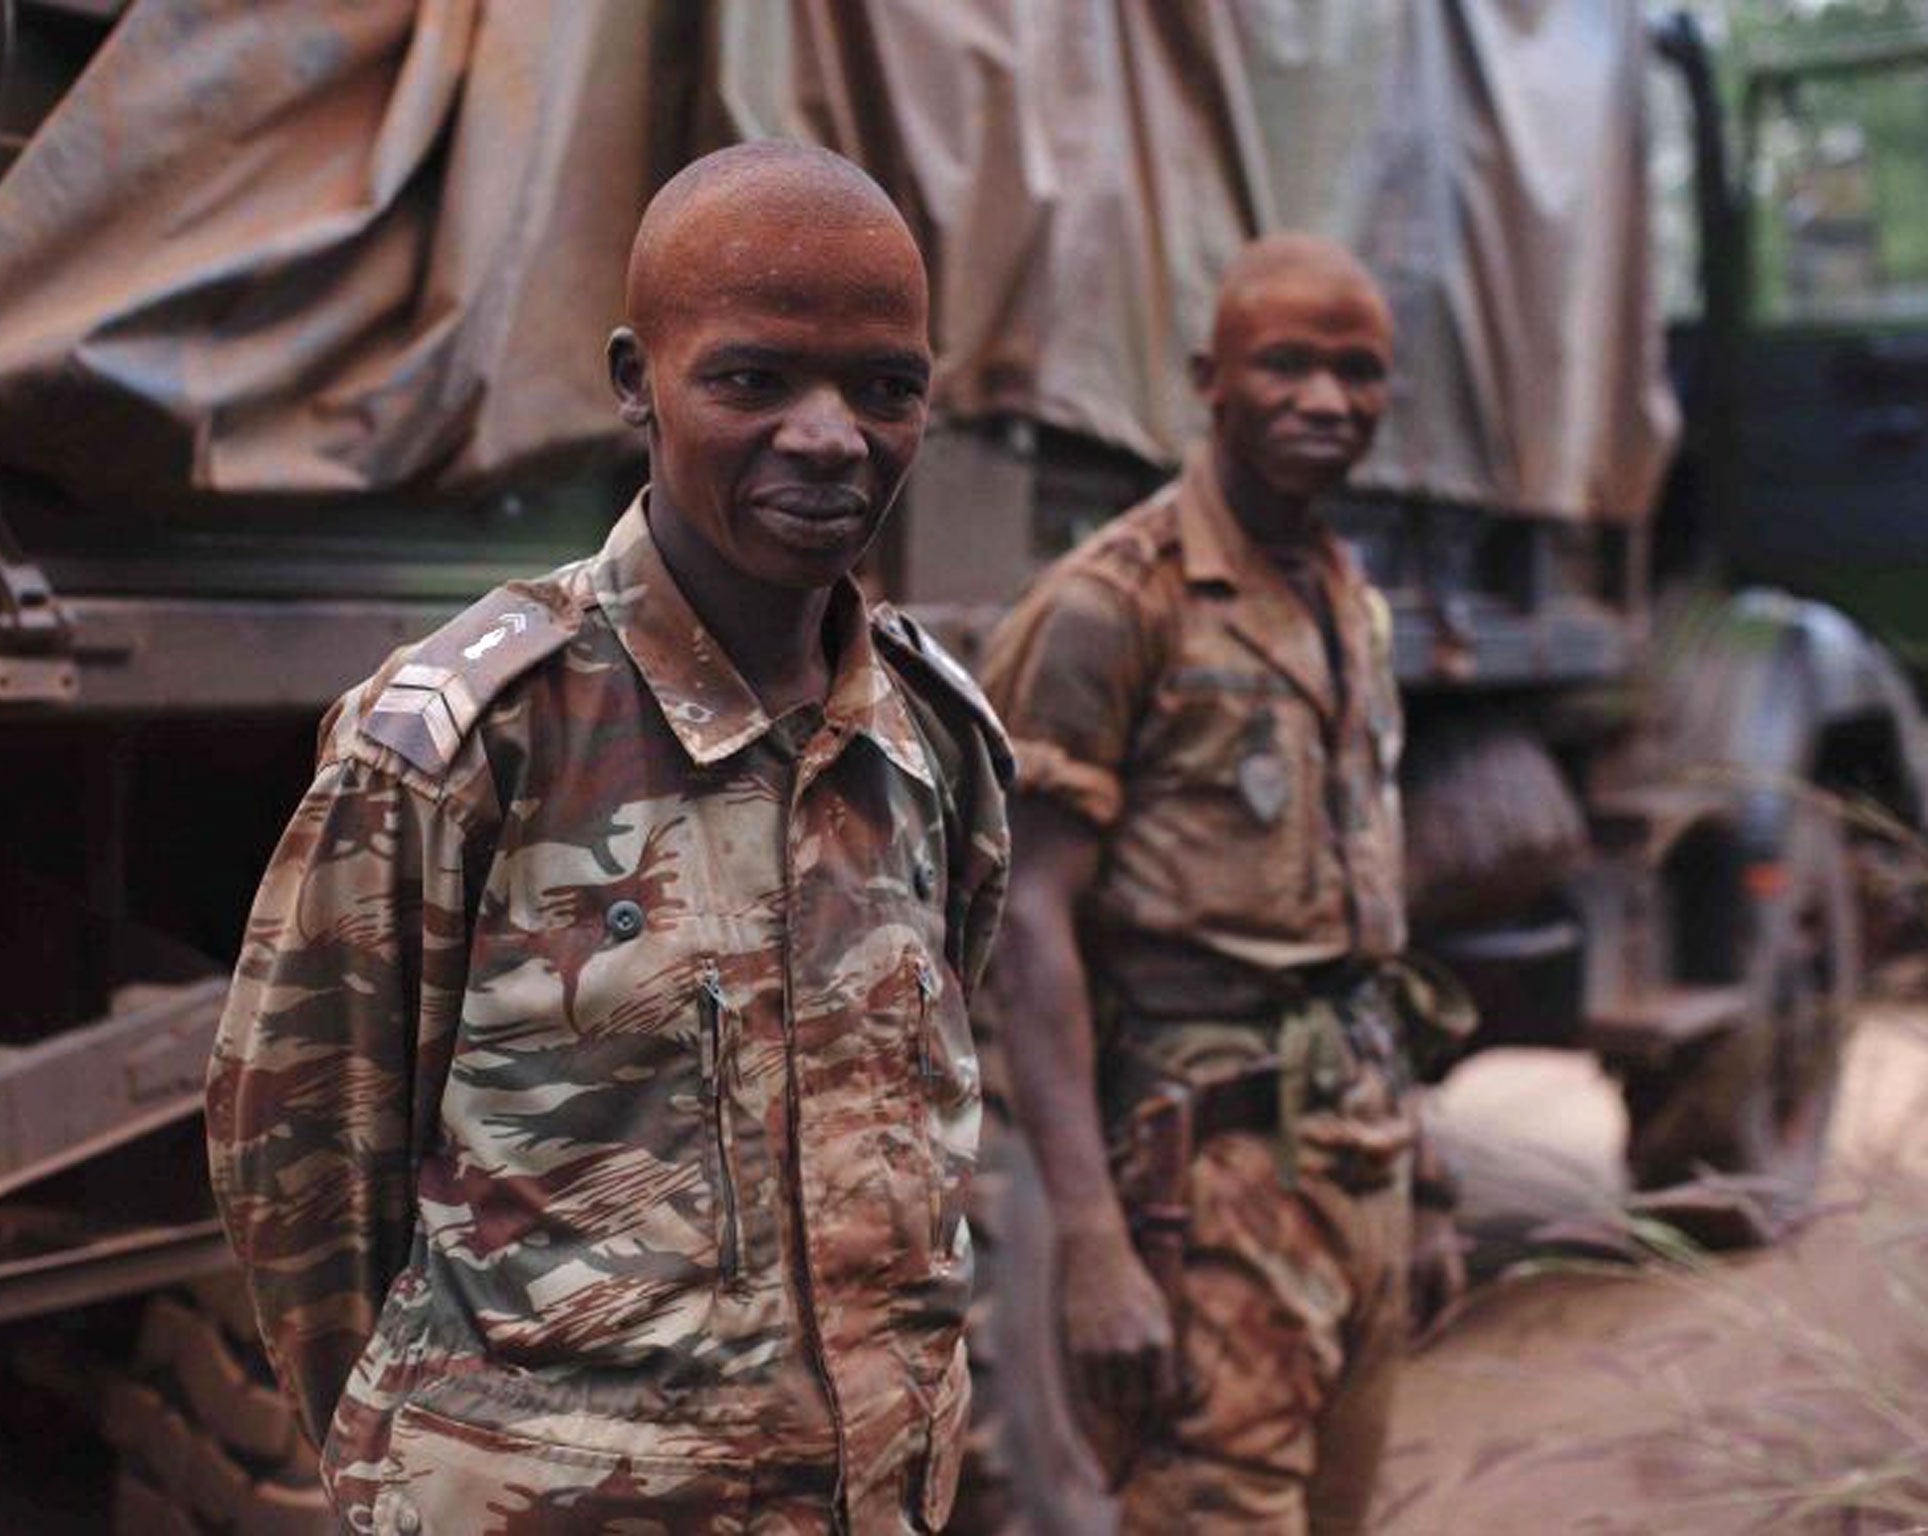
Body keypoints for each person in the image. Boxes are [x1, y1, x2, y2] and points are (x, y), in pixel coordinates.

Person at [206, 142, 1011, 1535]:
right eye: (754, 380)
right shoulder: (467, 741)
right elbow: (304, 1177)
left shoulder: (935, 739)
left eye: (886, 388)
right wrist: (436, 1475)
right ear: (638, 380)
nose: (831, 436)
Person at [977, 234, 1468, 1534]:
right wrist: (1089, 1237)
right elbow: (1028, 930)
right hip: (1197, 1183)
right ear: (1210, 377)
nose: (1325, 400)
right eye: (1287, 365)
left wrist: (1429, 1185)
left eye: (1357, 373)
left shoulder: (1350, 602)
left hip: (1354, 1155)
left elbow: (1371, 927)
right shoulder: (1110, 605)